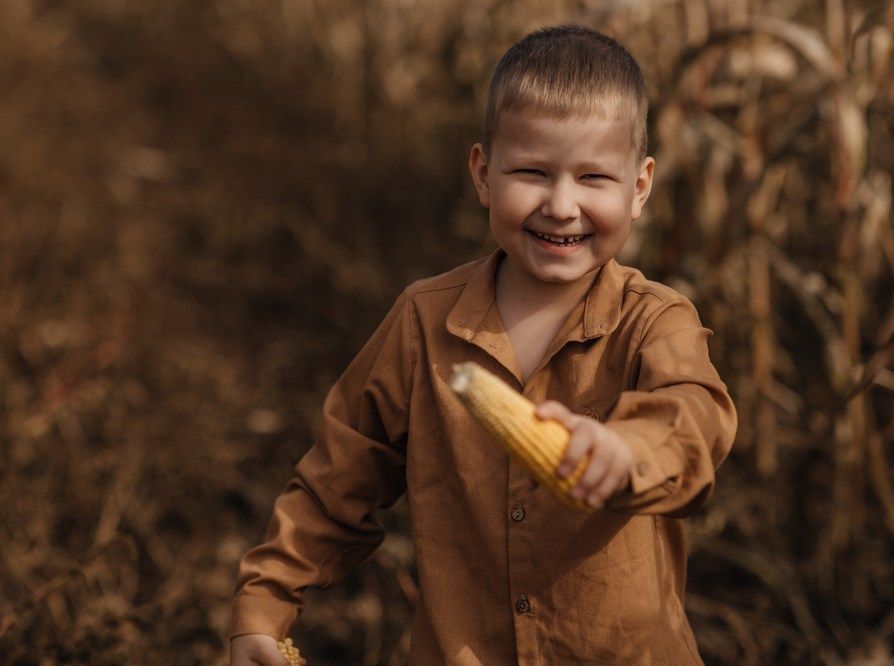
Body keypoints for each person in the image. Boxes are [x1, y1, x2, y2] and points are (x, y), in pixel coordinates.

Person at [230, 24, 737, 666]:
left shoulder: (655, 322)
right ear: (483, 174)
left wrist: (626, 450)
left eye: (593, 178)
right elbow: (339, 477)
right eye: (532, 172)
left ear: (639, 188)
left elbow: (694, 421)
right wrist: (264, 604)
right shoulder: (422, 322)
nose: (561, 205)